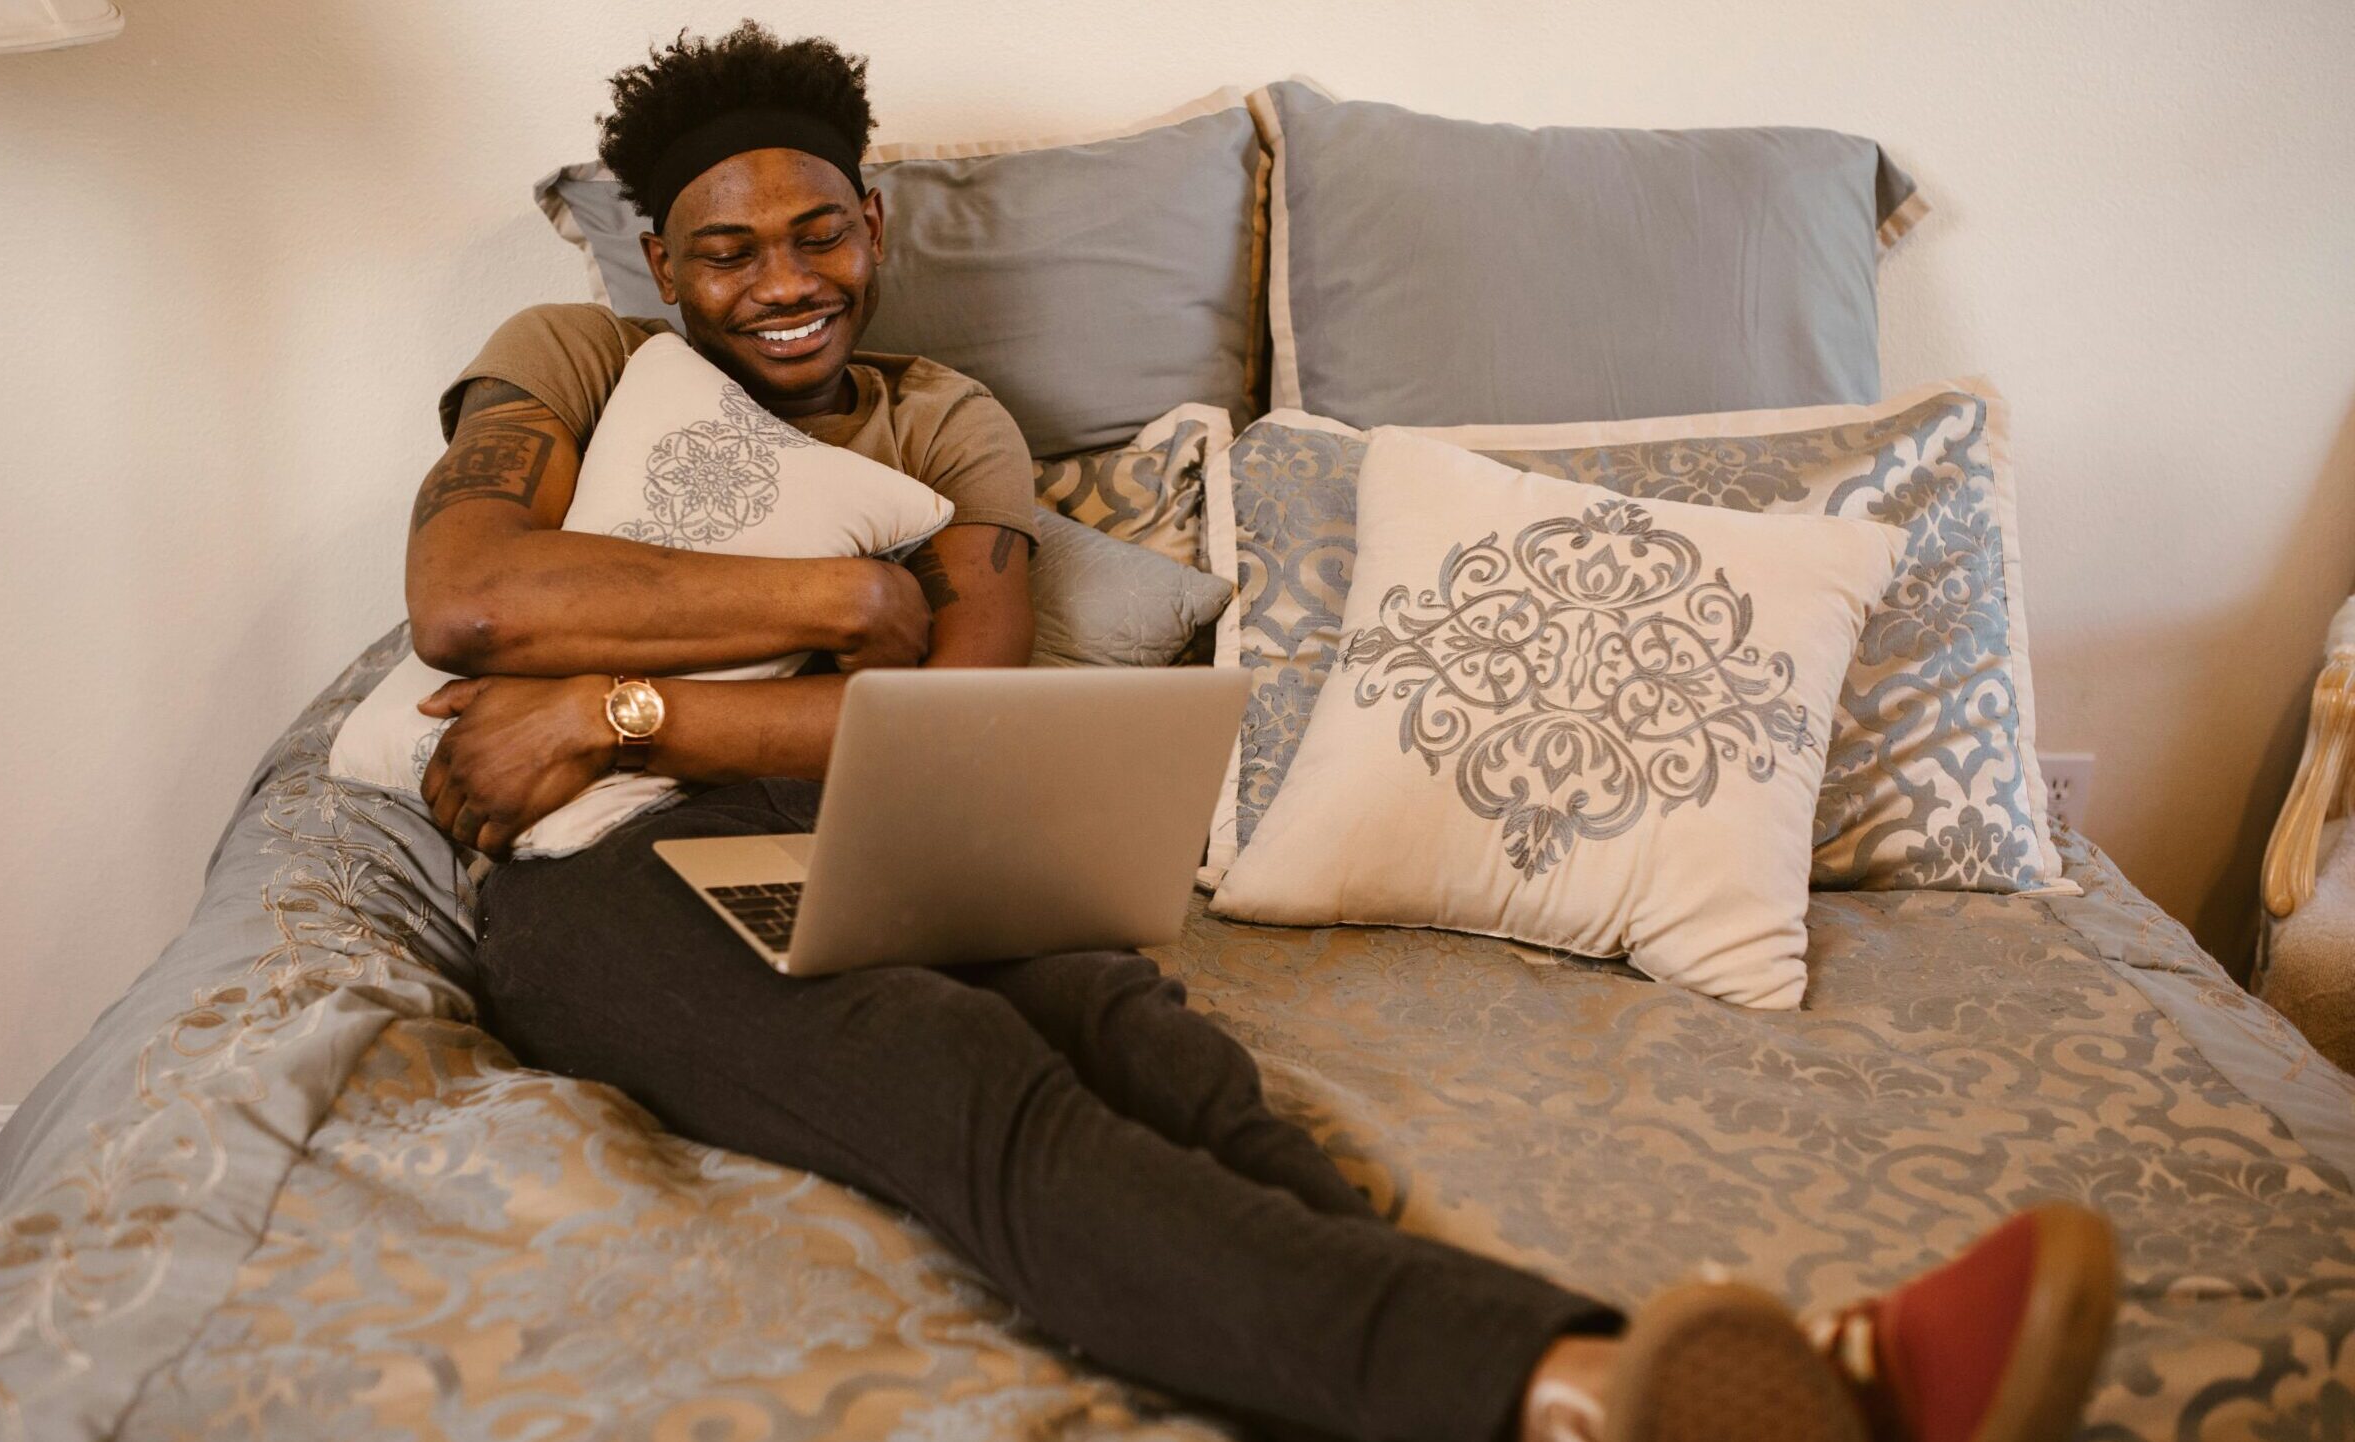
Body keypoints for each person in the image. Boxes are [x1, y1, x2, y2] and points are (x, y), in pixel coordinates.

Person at [401, 23, 2118, 1442]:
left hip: (860, 812)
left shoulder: (943, 423)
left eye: (819, 232)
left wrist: (616, 700)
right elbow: (468, 597)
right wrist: (848, 601)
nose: (785, 281)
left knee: (1152, 1043)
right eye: (727, 250)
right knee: (960, 1072)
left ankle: (1571, 1383)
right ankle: (1618, 1388)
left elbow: (932, 721)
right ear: (660, 262)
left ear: (876, 225)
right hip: (599, 867)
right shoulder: (572, 354)